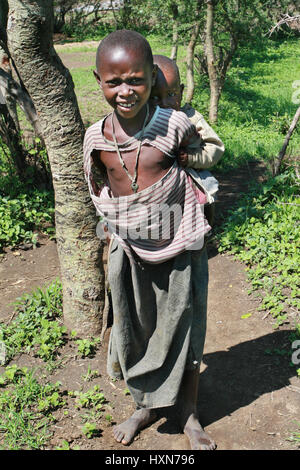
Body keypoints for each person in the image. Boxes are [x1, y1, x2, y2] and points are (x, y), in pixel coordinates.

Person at [83, 29, 216, 450]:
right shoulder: (96, 139)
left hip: (182, 244)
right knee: (135, 328)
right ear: (98, 80)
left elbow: (199, 158)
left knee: (187, 325)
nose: (125, 90)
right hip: (129, 246)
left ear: (151, 81)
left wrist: (192, 190)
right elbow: (98, 191)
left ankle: (189, 413)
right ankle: (143, 405)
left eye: (136, 80)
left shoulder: (174, 124)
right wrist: (117, 228)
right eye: (114, 81)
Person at [151, 54, 225, 227]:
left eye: (171, 94)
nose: (164, 103)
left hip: (192, 182)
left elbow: (215, 147)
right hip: (159, 190)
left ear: (181, 91)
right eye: (155, 97)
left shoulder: (191, 118)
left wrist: (192, 158)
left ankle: (205, 235)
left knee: (203, 210)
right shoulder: (145, 121)